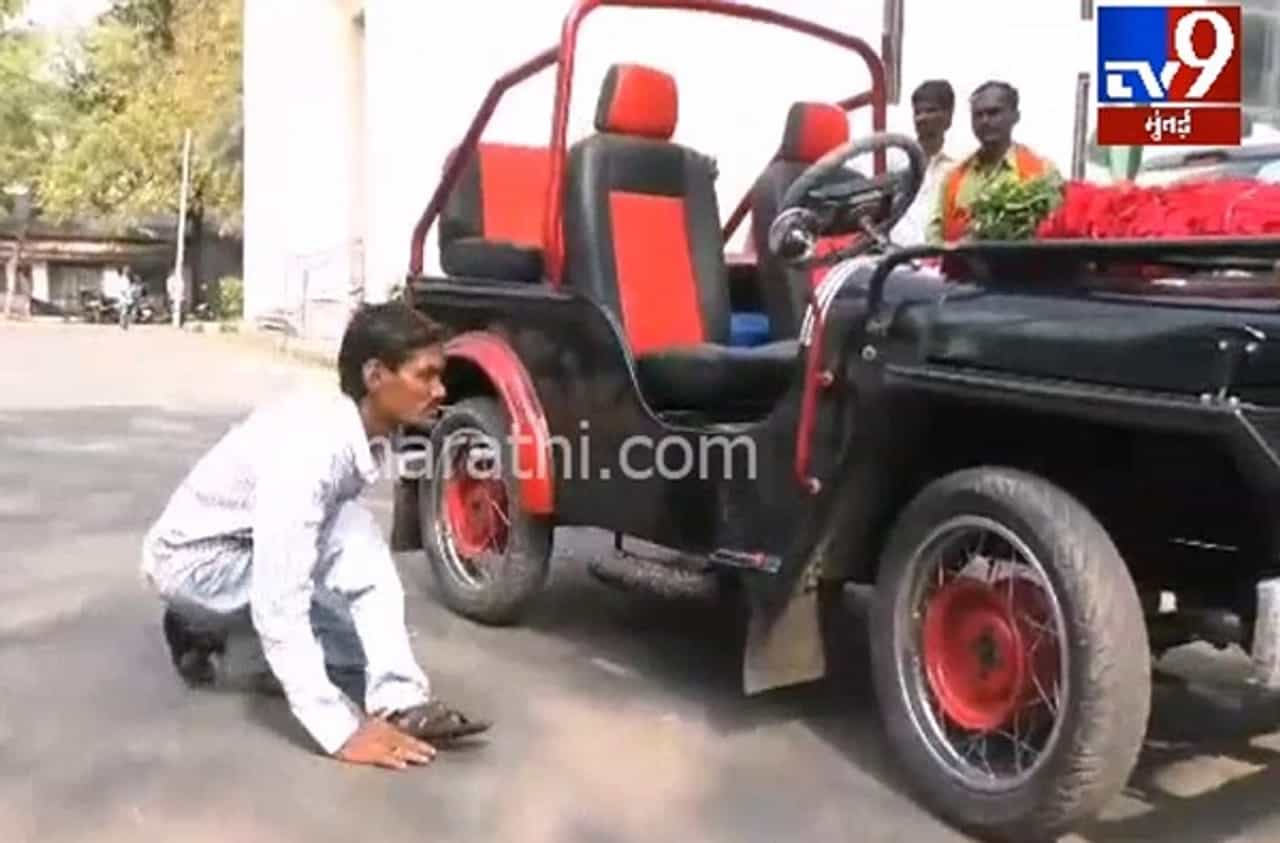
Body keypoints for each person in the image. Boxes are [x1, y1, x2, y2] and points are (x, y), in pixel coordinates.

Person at [140, 301, 489, 769]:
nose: (440, 390)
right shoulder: (312, 451)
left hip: (249, 546)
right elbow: (280, 600)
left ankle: (400, 702)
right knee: (351, 536)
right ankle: (209, 633)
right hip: (197, 567)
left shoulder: (366, 427)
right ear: (375, 375)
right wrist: (340, 730)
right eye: (425, 375)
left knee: (353, 656)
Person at [929, 80, 1060, 243]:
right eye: (978, 115)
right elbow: (934, 237)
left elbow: (1057, 232)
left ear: (1015, 116)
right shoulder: (954, 177)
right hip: (961, 259)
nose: (985, 121)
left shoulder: (1042, 171)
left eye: (994, 113)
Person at [891, 79, 957, 246]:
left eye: (930, 111)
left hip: (939, 254)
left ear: (948, 116)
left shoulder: (959, 166)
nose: (922, 118)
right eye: (918, 112)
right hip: (894, 254)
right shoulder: (896, 161)